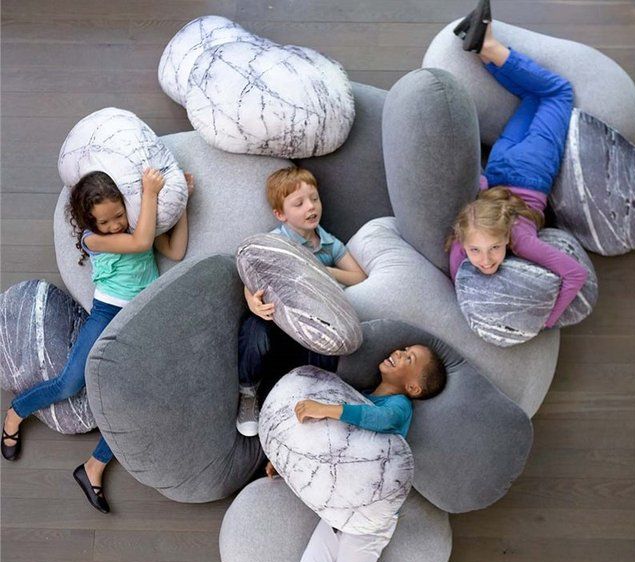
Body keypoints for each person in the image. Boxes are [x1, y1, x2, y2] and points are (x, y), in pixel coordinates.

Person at [2, 168, 193, 514]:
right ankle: (16, 412)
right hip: (106, 314)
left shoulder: (137, 225)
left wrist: (182, 206)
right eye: (105, 222)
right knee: (70, 383)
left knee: (136, 402)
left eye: (119, 215)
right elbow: (141, 244)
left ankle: (93, 466)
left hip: (140, 319)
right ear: (91, 223)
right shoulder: (94, 240)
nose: (115, 225)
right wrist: (151, 194)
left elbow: (175, 251)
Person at [270, 344, 447, 562]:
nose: (399, 352)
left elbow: (381, 420)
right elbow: (323, 444)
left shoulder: (400, 406)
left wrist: (328, 410)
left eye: (409, 358)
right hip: (339, 509)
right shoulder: (358, 397)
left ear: (413, 386)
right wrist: (286, 459)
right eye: (403, 349)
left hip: (368, 519)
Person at [447, 0, 589, 330]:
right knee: (535, 97)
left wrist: (547, 322)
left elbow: (575, 274)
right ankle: (484, 48)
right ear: (463, 241)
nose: (485, 260)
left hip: (531, 168)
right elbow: (459, 284)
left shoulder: (520, 242)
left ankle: (488, 45)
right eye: (479, 251)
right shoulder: (461, 245)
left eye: (494, 247)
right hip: (497, 163)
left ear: (508, 240)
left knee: (559, 93)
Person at [237, 166, 368, 436]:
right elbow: (251, 275)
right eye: (299, 203)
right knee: (254, 329)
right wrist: (252, 301)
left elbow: (358, 276)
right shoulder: (276, 242)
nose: (311, 207)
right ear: (280, 214)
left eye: (315, 199)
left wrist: (322, 270)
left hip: (311, 332)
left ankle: (311, 401)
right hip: (276, 323)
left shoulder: (329, 244)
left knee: (327, 349)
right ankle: (248, 392)